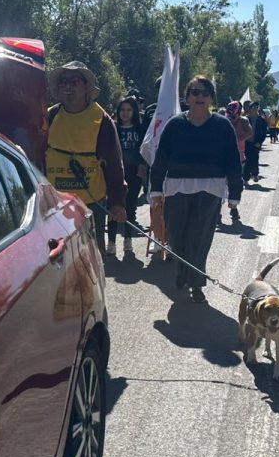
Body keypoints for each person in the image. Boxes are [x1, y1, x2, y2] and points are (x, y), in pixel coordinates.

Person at [149, 76, 244, 304]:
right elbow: (161, 159)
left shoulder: (222, 126)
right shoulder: (175, 124)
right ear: (187, 97)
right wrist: (154, 190)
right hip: (176, 188)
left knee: (200, 238)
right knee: (177, 236)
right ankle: (183, 269)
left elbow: (233, 160)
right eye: (195, 92)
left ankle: (197, 283)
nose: (200, 96)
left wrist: (235, 193)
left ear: (211, 97)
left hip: (210, 189)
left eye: (205, 93)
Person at [45, 61, 127, 256]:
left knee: (91, 258)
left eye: (74, 81)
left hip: (90, 204)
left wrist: (117, 202)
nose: (68, 86)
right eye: (63, 81)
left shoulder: (101, 119)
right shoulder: (50, 116)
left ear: (86, 87)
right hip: (55, 203)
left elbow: (114, 163)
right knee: (57, 260)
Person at [108, 97, 148, 254]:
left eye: (129, 110)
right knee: (112, 205)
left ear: (134, 111)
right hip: (115, 172)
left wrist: (143, 165)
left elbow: (145, 150)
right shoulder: (112, 128)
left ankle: (128, 240)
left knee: (130, 206)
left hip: (134, 173)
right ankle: (111, 242)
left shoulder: (140, 129)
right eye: (122, 110)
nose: (125, 113)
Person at [243, 102, 267, 183]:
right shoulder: (245, 119)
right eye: (253, 108)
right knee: (247, 160)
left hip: (256, 143)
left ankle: (255, 174)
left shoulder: (261, 120)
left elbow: (263, 133)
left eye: (256, 107)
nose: (255, 109)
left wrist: (260, 142)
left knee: (255, 159)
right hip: (246, 143)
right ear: (249, 109)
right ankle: (245, 178)